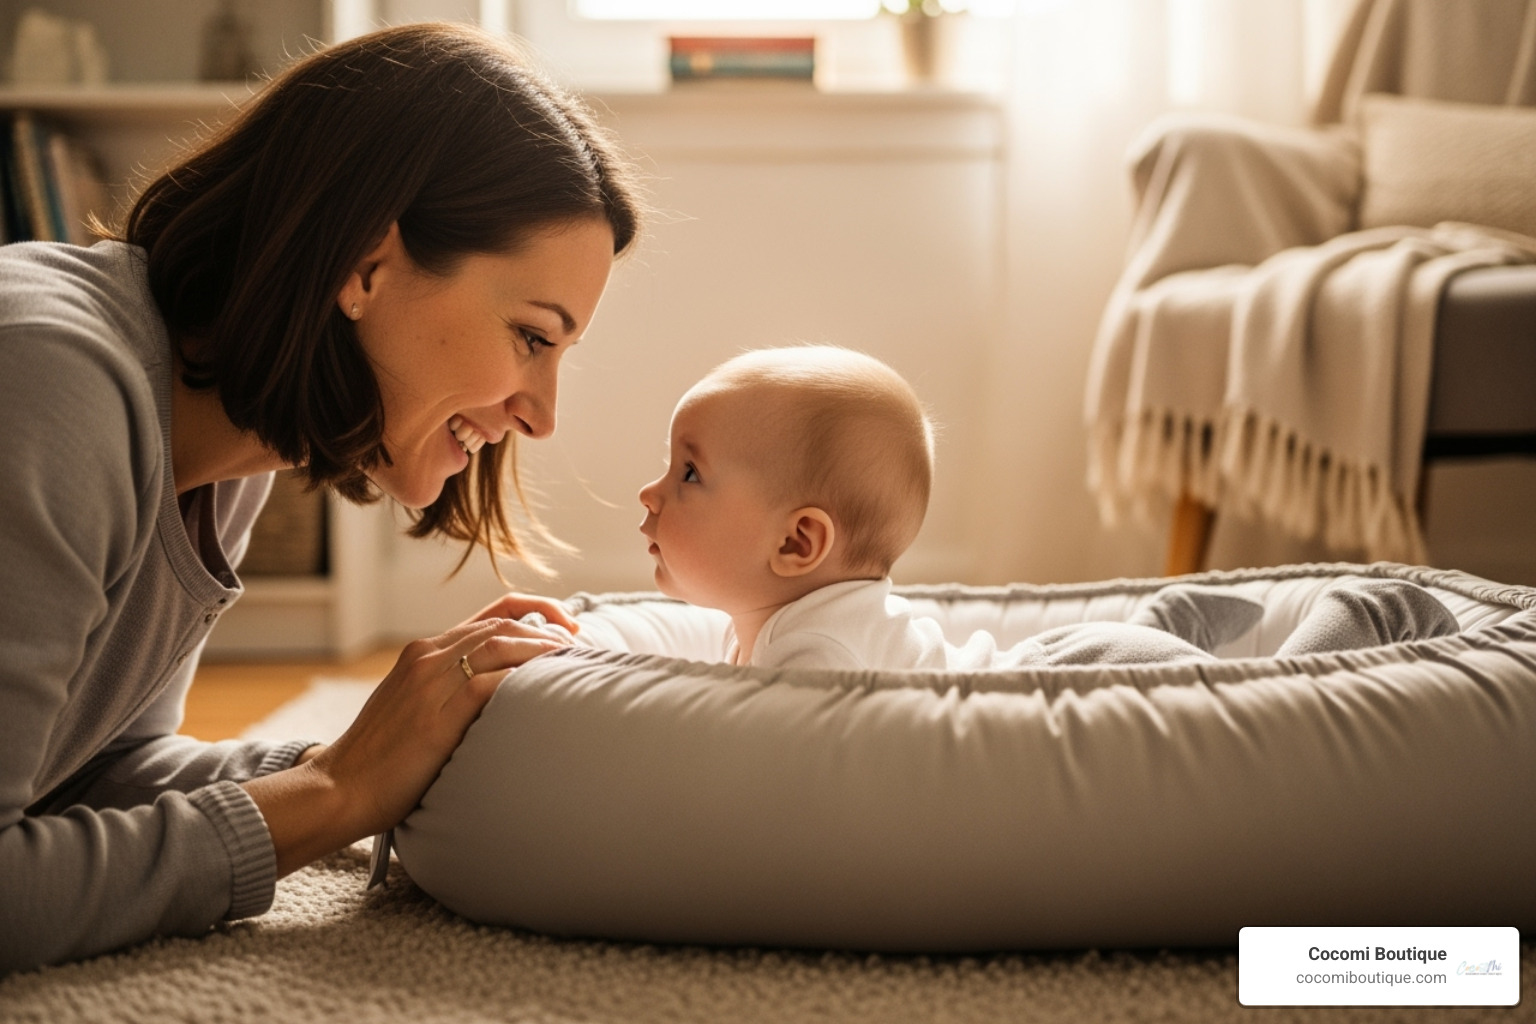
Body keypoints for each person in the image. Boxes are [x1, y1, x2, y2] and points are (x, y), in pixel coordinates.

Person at [0, 22, 641, 973]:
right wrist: (336, 792)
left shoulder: (227, 438)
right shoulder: (52, 381)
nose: (541, 416)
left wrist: (397, 756)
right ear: (366, 266)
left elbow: (89, 775)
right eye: (531, 337)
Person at [637, 347, 1459, 673]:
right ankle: (1173, 619)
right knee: (1177, 659)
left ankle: (1358, 616)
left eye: (688, 474)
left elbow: (752, 765)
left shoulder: (815, 652)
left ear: (799, 541)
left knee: (1273, 705)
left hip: (1098, 677)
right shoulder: (773, 616)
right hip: (1062, 658)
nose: (652, 492)